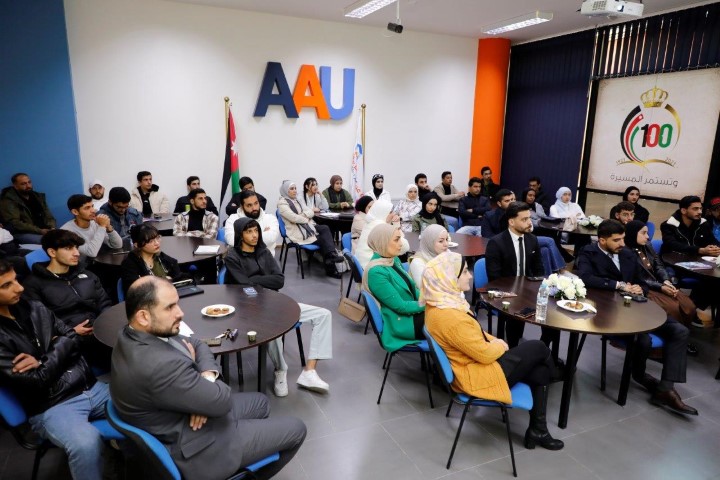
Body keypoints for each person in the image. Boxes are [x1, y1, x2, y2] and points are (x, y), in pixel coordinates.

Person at [110, 276, 306, 480]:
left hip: (180, 416)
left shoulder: (131, 335)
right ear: (143, 316)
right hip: (201, 447)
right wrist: (205, 394)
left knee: (261, 402)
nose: (180, 313)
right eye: (169, 307)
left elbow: (198, 344)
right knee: (297, 429)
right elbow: (222, 399)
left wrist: (206, 376)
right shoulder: (160, 365)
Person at [422, 252, 563, 451]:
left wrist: (494, 340)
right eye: (464, 272)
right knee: (538, 348)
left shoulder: (440, 304)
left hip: (472, 365)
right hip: (477, 375)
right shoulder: (450, 317)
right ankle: (555, 377)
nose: (470, 275)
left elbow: (474, 335)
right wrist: (499, 345)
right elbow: (485, 354)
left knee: (539, 370)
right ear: (449, 278)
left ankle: (538, 430)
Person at [0, 259, 111, 480]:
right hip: (52, 405)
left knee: (144, 400)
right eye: (6, 285)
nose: (19, 288)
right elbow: (35, 380)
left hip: (90, 386)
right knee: (86, 444)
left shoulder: (35, 308)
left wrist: (44, 357)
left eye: (16, 280)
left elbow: (74, 339)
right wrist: (60, 344)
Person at [576, 220, 697, 415]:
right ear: (602, 240)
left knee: (680, 331)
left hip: (636, 306)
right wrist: (619, 285)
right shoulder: (589, 252)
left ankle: (665, 389)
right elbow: (585, 278)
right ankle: (639, 375)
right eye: (617, 240)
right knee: (643, 339)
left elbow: (643, 282)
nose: (622, 243)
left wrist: (641, 288)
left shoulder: (627, 254)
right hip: (608, 310)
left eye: (623, 238)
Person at [224, 217, 333, 395]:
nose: (254, 235)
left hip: (275, 302)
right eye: (249, 232)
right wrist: (262, 281)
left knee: (323, 314)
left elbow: (279, 280)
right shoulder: (232, 257)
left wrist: (254, 280)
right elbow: (244, 285)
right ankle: (280, 370)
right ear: (240, 235)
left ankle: (309, 371)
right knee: (274, 327)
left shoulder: (264, 252)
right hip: (250, 309)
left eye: (256, 231)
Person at [22, 229, 113, 370]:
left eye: (76, 247)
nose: (77, 253)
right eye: (68, 248)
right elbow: (39, 323)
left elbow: (104, 303)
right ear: (52, 252)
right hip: (68, 339)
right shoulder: (33, 284)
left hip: (99, 330)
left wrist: (103, 324)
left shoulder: (88, 275)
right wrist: (70, 332)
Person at [485, 202, 557, 348]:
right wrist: (516, 292)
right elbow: (494, 278)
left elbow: (538, 269)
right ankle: (513, 350)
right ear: (511, 222)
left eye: (529, 218)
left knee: (552, 314)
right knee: (516, 314)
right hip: (506, 291)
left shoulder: (532, 239)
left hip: (528, 289)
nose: (529, 222)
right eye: (524, 219)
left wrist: (539, 289)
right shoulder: (496, 243)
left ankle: (542, 347)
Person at [623, 220, 704, 335]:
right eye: (643, 233)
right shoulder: (625, 252)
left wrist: (666, 280)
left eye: (647, 233)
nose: (648, 237)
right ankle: (674, 335)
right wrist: (660, 286)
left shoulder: (647, 245)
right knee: (672, 307)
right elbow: (638, 278)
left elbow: (659, 265)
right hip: (645, 287)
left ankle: (684, 334)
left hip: (660, 283)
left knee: (688, 305)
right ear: (632, 233)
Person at [362, 224, 425, 352]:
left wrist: (429, 298)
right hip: (402, 323)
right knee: (449, 319)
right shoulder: (376, 272)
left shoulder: (392, 260)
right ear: (383, 242)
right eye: (396, 239)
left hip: (411, 313)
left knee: (451, 314)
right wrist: (430, 303)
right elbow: (401, 307)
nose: (401, 244)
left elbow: (413, 289)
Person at [660, 195, 719, 324]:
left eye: (700, 208)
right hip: (673, 263)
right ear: (683, 210)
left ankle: (691, 309)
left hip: (697, 265)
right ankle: (676, 312)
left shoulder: (703, 224)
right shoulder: (668, 225)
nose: (699, 212)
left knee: (714, 281)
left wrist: (715, 248)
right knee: (671, 278)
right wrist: (699, 250)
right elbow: (673, 245)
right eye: (695, 209)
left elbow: (712, 240)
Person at [277, 180, 344, 278]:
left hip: (307, 226)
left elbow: (311, 212)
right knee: (323, 240)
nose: (295, 190)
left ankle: (331, 256)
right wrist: (305, 217)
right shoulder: (282, 204)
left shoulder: (297, 200)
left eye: (295, 188)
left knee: (325, 228)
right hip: (297, 231)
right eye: (291, 189)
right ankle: (331, 266)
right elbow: (294, 218)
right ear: (285, 191)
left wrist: (303, 215)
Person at [120, 224, 189, 296]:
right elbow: (136, 291)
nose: (157, 243)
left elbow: (178, 275)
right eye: (150, 241)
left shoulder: (160, 257)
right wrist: (165, 279)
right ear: (137, 245)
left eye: (157, 238)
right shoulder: (129, 264)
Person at [61, 194, 122, 262]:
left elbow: (118, 245)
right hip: (77, 266)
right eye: (87, 208)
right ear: (75, 212)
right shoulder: (66, 231)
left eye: (92, 206)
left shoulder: (95, 223)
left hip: (95, 263)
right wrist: (102, 226)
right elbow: (91, 253)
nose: (93, 210)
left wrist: (108, 227)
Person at [0, 173, 56, 244]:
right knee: (49, 241)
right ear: (15, 186)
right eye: (23, 184)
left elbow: (48, 215)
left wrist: (52, 227)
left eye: (29, 182)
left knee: (64, 237)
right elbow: (14, 223)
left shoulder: (37, 196)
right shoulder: (8, 200)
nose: (28, 186)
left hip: (44, 230)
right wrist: (40, 231)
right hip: (22, 233)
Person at [355, 200, 406, 268]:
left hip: (364, 262)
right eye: (390, 212)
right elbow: (404, 247)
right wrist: (397, 225)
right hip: (373, 266)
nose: (393, 214)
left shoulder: (372, 222)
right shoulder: (380, 226)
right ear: (383, 213)